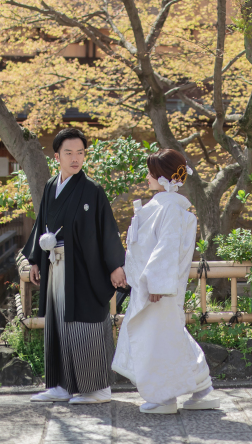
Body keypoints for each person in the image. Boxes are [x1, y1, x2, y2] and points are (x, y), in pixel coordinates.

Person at [23, 128, 128, 404]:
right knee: (57, 322)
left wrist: (116, 264)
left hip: (83, 269)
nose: (75, 158)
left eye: (80, 152)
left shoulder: (91, 189)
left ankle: (98, 388)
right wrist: (34, 258)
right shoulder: (49, 186)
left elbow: (106, 229)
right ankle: (60, 384)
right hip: (55, 265)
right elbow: (40, 224)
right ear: (57, 156)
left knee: (85, 322)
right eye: (68, 153)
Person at [112, 149, 218, 414]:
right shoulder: (166, 205)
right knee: (165, 337)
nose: (147, 177)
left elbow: (166, 248)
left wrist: (157, 284)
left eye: (151, 172)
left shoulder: (168, 207)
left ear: (163, 176)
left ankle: (166, 398)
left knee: (159, 339)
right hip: (152, 287)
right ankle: (201, 388)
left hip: (158, 289)